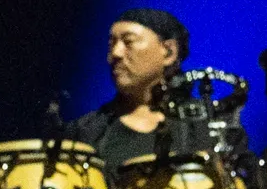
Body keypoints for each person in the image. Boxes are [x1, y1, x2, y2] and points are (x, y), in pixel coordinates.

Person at [66, 9, 191, 171]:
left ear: (169, 52)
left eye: (128, 42)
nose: (115, 54)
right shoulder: (85, 133)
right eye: (111, 44)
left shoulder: (203, 127)